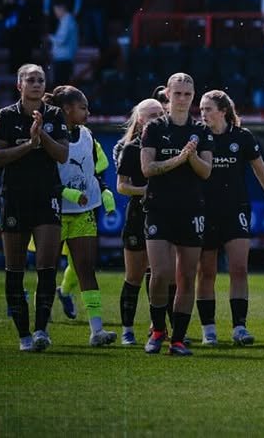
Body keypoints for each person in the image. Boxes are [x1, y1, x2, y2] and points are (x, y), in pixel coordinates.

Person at [197, 89, 264, 346]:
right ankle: (208, 330)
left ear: (223, 111)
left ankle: (240, 327)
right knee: (206, 272)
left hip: (236, 209)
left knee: (239, 268)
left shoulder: (242, 137)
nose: (203, 113)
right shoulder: (197, 136)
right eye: (201, 109)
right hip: (204, 211)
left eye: (208, 109)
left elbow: (262, 172)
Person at [0, 63, 70, 351]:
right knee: (14, 269)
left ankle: (40, 331)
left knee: (46, 267)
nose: (37, 84)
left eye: (41, 80)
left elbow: (62, 155)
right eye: (31, 80)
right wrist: (29, 144)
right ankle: (23, 334)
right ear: (19, 85)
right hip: (15, 196)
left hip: (46, 196)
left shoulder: (55, 114)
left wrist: (42, 136)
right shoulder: (6, 115)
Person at [140, 72, 214, 356]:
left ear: (193, 96)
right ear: (168, 95)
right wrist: (179, 159)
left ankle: (179, 339)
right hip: (159, 208)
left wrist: (191, 157)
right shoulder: (154, 128)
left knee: (186, 276)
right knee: (160, 273)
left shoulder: (202, 131)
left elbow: (206, 172)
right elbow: (148, 169)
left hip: (192, 210)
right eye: (178, 93)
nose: (182, 98)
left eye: (187, 94)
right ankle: (158, 329)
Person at [49, 85, 116, 346]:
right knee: (47, 271)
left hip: (84, 212)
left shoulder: (88, 135)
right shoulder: (49, 135)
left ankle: (96, 331)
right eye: (83, 108)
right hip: (55, 212)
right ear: (67, 109)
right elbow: (43, 176)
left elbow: (94, 170)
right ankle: (41, 330)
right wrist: (65, 192)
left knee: (86, 269)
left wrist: (103, 190)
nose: (88, 112)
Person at [113, 96, 163, 345]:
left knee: (161, 275)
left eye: (160, 114)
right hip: (138, 214)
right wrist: (146, 191)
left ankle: (159, 327)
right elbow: (121, 186)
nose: (157, 119)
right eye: (152, 115)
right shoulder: (132, 148)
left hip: (165, 215)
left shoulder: (170, 145)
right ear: (140, 120)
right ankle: (127, 330)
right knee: (134, 275)